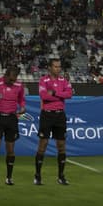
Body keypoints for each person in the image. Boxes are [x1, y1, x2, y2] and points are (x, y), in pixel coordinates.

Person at [34, 57, 74, 185]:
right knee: (43, 145)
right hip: (47, 115)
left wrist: (55, 92)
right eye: (56, 66)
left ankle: (61, 176)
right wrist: (59, 94)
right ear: (50, 68)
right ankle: (38, 175)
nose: (58, 69)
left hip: (60, 116)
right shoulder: (43, 80)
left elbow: (69, 95)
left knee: (61, 146)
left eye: (59, 66)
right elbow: (44, 96)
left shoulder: (64, 80)